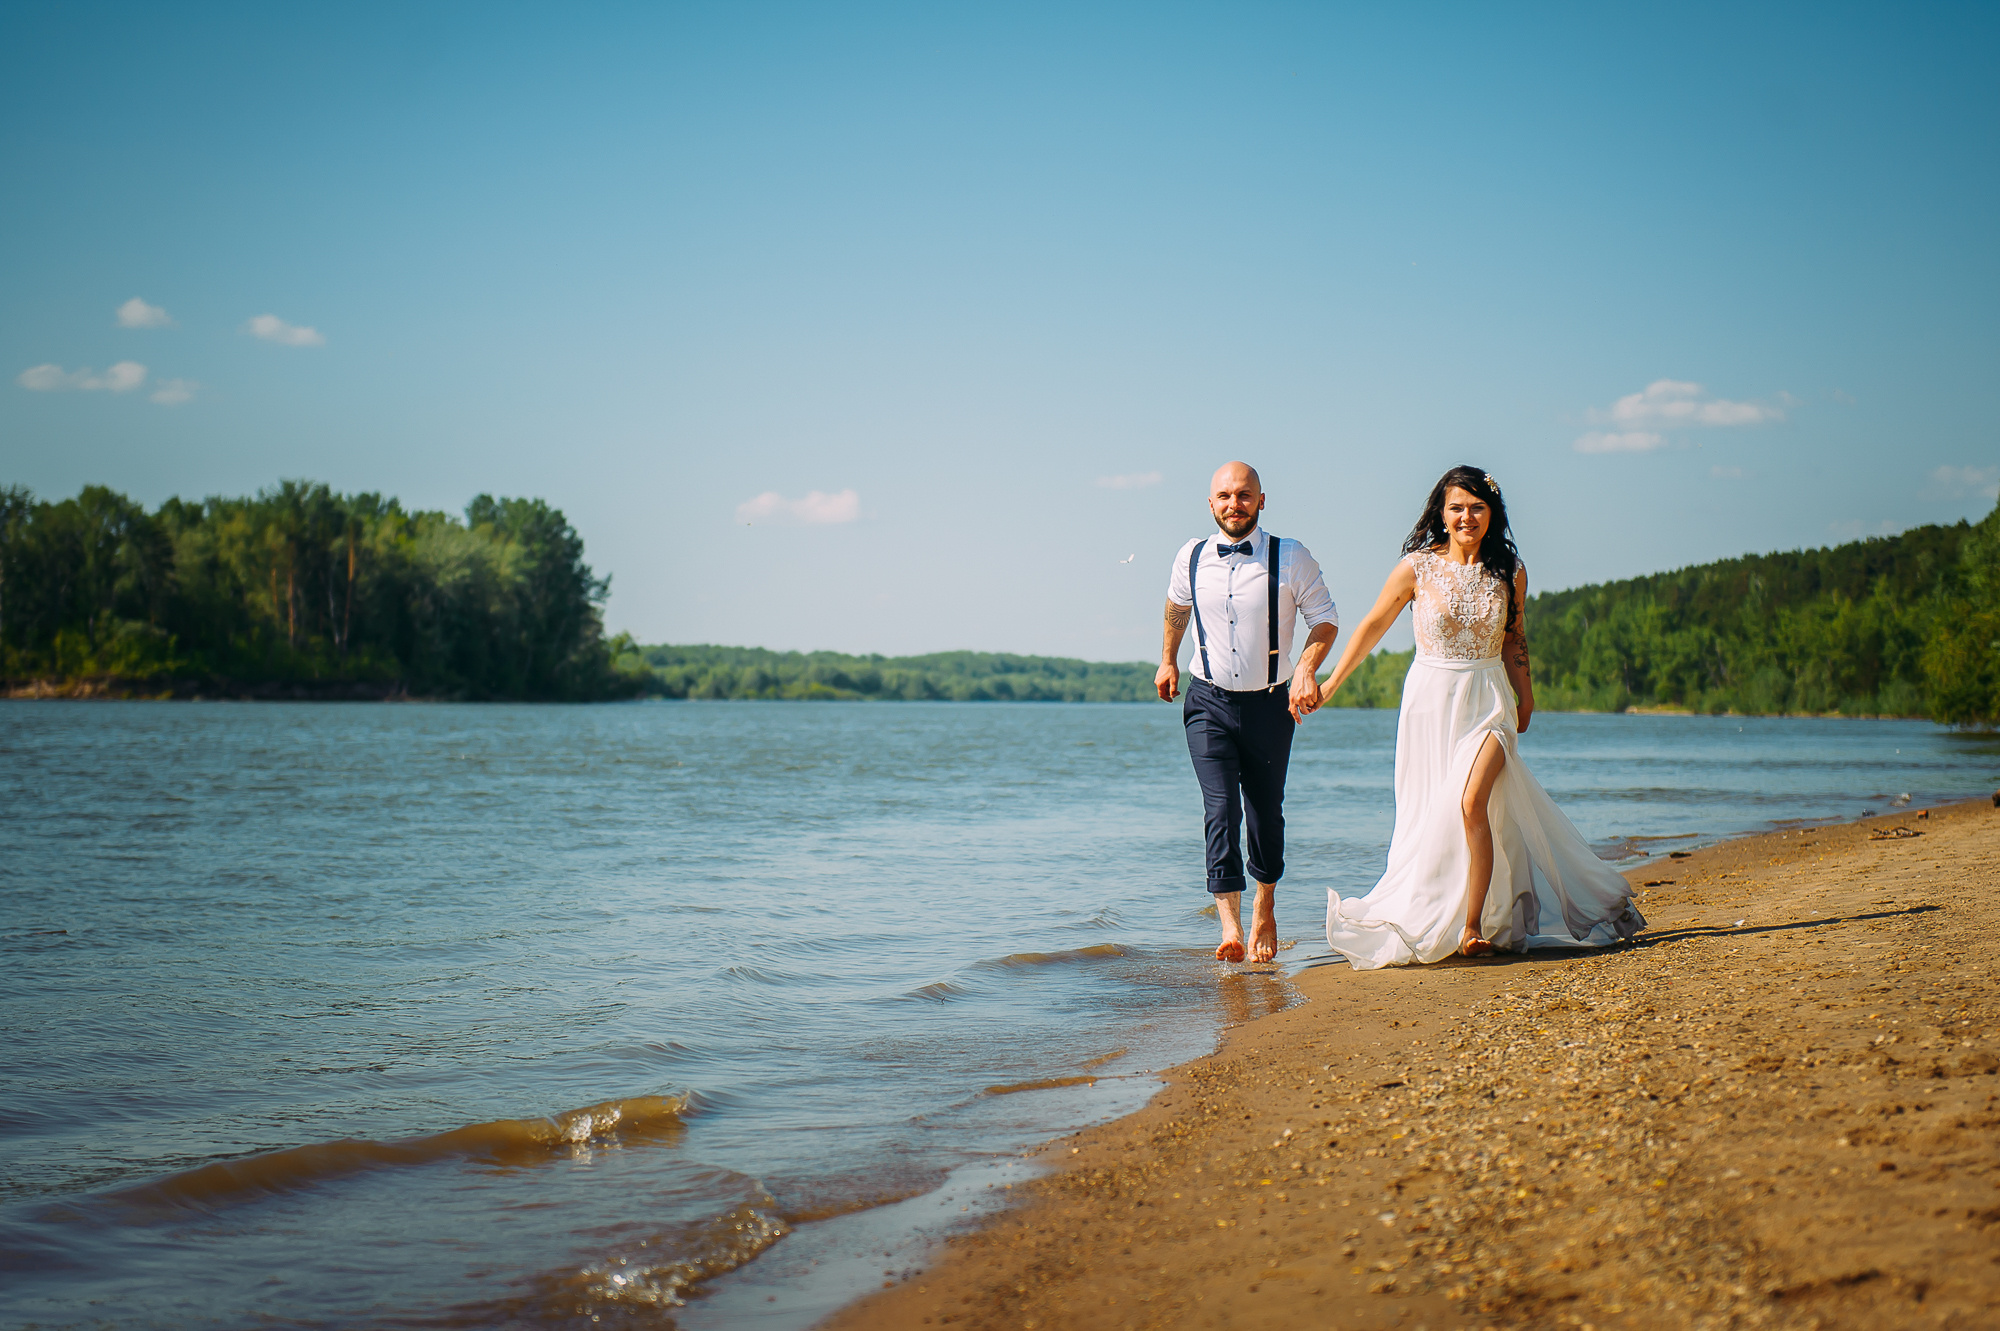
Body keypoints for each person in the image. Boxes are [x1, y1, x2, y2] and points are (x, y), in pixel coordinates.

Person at [1316, 465, 1644, 968]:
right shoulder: (1416, 568)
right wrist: (1331, 683)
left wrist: (1525, 694)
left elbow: (1514, 635)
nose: (1467, 516)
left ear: (1492, 514)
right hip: (1430, 702)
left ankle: (1472, 926)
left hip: (1489, 698)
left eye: (1477, 507)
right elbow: (1374, 623)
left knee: (1472, 803)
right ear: (1441, 514)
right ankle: (1443, 911)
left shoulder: (1510, 571)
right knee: (1432, 814)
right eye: (1457, 507)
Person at [1157, 462, 1339, 964]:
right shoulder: (1190, 556)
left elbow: (1325, 620)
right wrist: (1168, 659)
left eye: (1243, 495)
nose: (1233, 504)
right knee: (1220, 809)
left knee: (1264, 814)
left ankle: (1265, 904)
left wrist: (1305, 669)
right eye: (1224, 496)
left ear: (1261, 501)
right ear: (1210, 503)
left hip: (1269, 704)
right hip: (1207, 701)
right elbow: (1177, 608)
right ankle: (1230, 927)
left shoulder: (1291, 556)